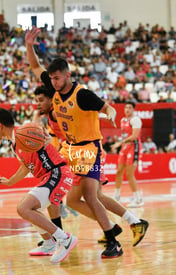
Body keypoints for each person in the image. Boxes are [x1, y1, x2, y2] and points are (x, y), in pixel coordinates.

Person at [26, 27, 122, 258]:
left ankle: (112, 240)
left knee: (90, 196)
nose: (54, 82)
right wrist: (29, 45)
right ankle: (61, 237)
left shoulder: (82, 95)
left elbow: (107, 107)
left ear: (67, 75)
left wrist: (111, 113)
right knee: (63, 194)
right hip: (70, 149)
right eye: (52, 79)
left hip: (89, 149)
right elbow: (36, 67)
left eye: (57, 78)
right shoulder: (53, 86)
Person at [33, 85, 149, 246]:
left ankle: (125, 225)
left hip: (89, 153)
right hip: (76, 154)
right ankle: (118, 225)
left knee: (92, 196)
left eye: (40, 100)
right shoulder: (53, 116)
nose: (37, 104)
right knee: (74, 200)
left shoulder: (61, 112)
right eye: (36, 101)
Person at [0, 108, 77, 264]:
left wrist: (47, 137)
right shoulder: (14, 144)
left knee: (24, 208)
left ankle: (65, 239)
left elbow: (41, 132)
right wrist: (10, 181)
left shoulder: (25, 132)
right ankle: (49, 243)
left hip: (58, 173)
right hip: (49, 176)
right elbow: (25, 167)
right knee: (28, 209)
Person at [111, 102, 144, 207]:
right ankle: (117, 196)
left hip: (134, 147)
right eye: (126, 107)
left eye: (130, 108)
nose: (127, 109)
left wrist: (119, 143)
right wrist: (120, 142)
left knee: (129, 174)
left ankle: (138, 199)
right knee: (119, 171)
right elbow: (125, 135)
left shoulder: (136, 120)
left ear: (133, 109)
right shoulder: (123, 120)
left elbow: (134, 136)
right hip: (125, 147)